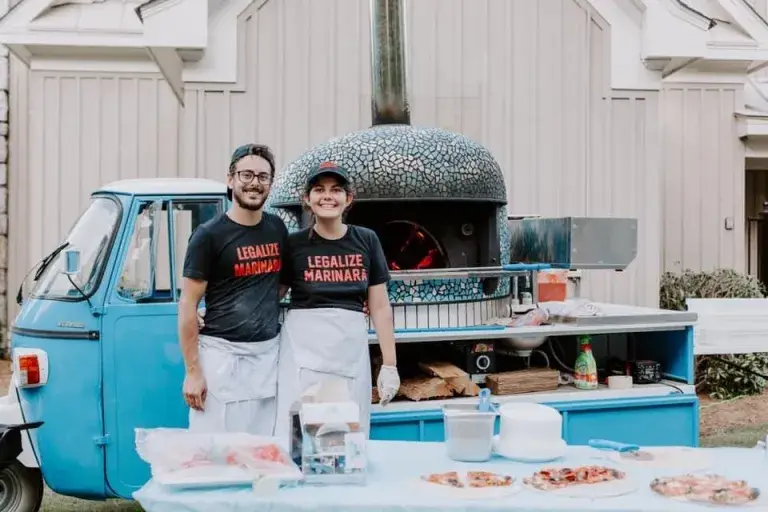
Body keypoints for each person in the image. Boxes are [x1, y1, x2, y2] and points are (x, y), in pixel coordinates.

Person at [274, 161, 400, 441]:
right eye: (319, 189)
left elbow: (379, 307)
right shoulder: (293, 244)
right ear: (307, 199)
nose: (327, 196)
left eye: (336, 190)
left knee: (347, 435)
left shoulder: (366, 240)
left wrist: (389, 365)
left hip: (350, 352)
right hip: (302, 356)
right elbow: (273, 296)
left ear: (348, 199)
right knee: (299, 435)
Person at [178, 143, 288, 436]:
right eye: (247, 175)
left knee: (262, 451)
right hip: (221, 359)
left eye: (263, 177)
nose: (255, 183)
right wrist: (193, 373)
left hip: (267, 357)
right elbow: (188, 304)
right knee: (214, 452)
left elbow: (282, 283)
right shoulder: (208, 236)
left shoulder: (277, 229)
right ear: (231, 179)